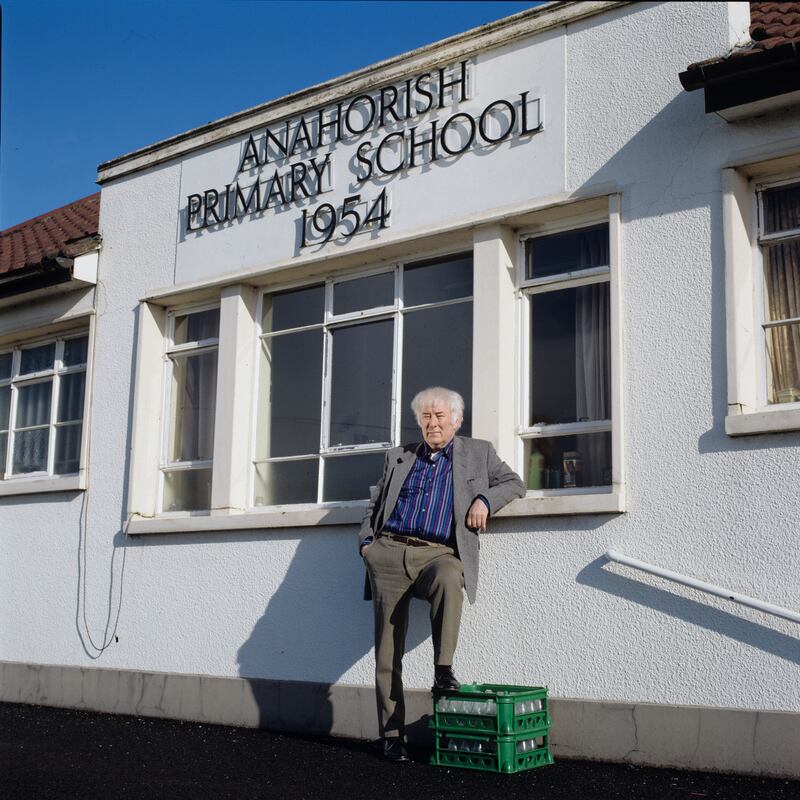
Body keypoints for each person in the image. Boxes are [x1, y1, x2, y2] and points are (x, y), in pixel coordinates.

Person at [358, 386, 525, 761]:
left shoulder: (477, 452)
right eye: (426, 417)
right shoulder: (399, 456)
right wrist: (367, 544)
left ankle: (443, 669)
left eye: (439, 417)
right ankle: (391, 735)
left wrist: (485, 500)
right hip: (388, 551)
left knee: (451, 576)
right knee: (387, 653)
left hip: (437, 553)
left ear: (456, 420)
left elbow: (515, 483)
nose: (432, 424)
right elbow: (376, 502)